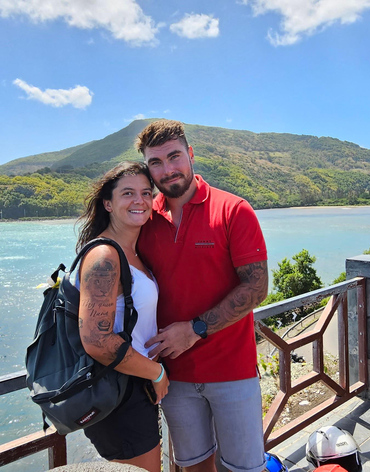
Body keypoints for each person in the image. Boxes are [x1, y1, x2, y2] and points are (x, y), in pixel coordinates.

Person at [136, 120, 269, 472]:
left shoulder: (233, 210)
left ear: (191, 154)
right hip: (172, 375)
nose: (167, 169)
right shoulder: (145, 219)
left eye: (174, 156)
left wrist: (194, 329)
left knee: (245, 468)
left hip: (233, 370)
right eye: (155, 162)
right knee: (193, 467)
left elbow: (257, 287)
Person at [75, 161, 170, 471]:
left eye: (146, 193)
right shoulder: (104, 256)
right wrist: (156, 373)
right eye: (128, 193)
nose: (139, 200)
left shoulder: (131, 253)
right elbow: (97, 340)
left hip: (132, 385)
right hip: (118, 390)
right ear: (108, 203)